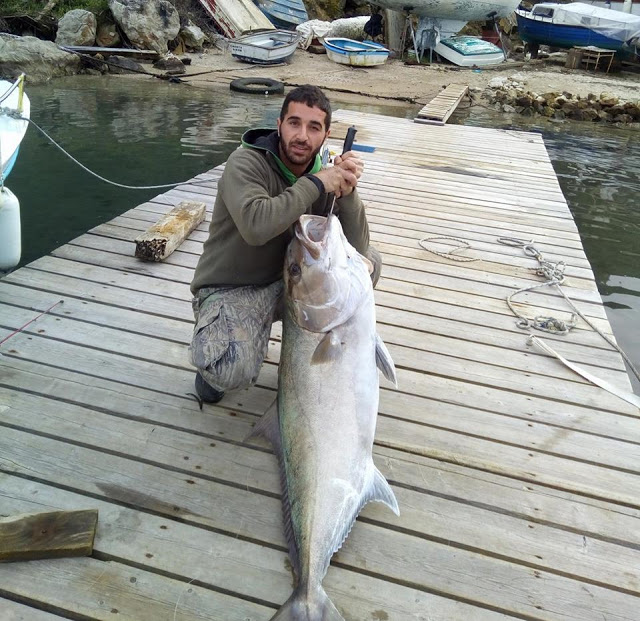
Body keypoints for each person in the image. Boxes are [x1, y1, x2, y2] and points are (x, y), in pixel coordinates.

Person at [189, 85, 381, 404]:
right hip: (234, 288)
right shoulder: (246, 164)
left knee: (367, 265)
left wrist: (347, 191)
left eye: (313, 127)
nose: (302, 135)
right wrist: (317, 183)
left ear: (326, 135)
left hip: (289, 280)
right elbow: (256, 226)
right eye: (294, 123)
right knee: (228, 369)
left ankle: (326, 354)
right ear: (279, 125)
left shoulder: (324, 175)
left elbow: (359, 248)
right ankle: (212, 357)